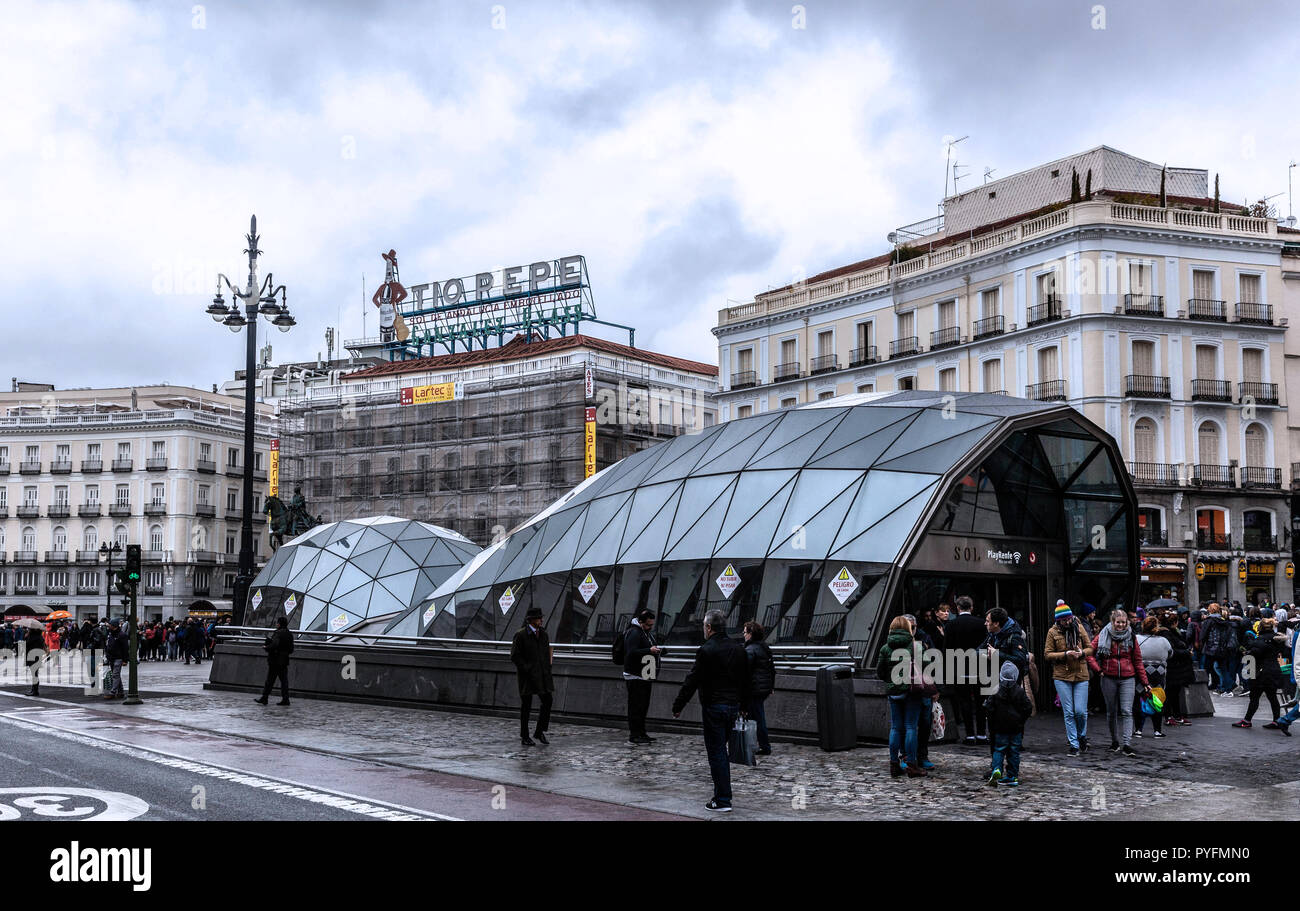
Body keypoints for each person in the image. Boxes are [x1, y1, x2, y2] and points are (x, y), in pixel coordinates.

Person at [671, 609, 750, 812]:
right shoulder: (738, 648)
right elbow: (746, 680)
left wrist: (678, 705)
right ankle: (722, 794)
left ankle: (722, 799)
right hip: (733, 706)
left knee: (717, 753)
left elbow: (693, 679)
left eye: (704, 627)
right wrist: (744, 706)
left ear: (708, 627)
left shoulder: (707, 650)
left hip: (714, 706)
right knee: (721, 751)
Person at [1088, 609, 1149, 756]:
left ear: (1127, 622)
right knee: (1111, 711)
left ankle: (1127, 744)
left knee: (1127, 711)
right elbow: (1089, 653)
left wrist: (1145, 681)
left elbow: (1138, 661)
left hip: (1128, 677)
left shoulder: (1131, 636)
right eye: (1118, 622)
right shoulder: (1103, 634)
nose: (1121, 625)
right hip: (1108, 677)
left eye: (1123, 622)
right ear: (1113, 622)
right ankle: (1114, 741)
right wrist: (1098, 670)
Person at [877, 615, 928, 778]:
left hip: (893, 692)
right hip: (912, 691)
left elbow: (880, 671)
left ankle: (894, 764)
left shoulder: (885, 648)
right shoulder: (916, 646)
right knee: (911, 727)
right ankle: (912, 765)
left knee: (895, 727)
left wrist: (891, 681)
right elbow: (927, 667)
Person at [1043, 602, 1093, 756]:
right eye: (1064, 620)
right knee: (1069, 712)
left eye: (1069, 619)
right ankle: (1074, 744)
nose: (1067, 622)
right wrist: (1065, 654)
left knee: (1080, 711)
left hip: (1081, 673)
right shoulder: (1053, 632)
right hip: (1061, 675)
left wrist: (1081, 653)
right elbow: (1047, 654)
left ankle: (1082, 736)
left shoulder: (1079, 627)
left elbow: (1090, 648)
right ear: (1058, 620)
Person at [946, 595, 988, 745]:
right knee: (981, 701)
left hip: (960, 667)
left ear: (957, 608)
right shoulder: (981, 623)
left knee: (964, 701)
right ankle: (982, 734)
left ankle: (970, 734)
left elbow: (948, 649)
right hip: (980, 667)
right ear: (971, 607)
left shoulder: (951, 625)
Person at [509, 607, 553, 747]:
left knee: (548, 700)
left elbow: (546, 654)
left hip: (542, 675)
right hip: (527, 677)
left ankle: (539, 731)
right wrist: (527, 668)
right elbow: (515, 656)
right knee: (526, 706)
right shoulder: (521, 635)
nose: (541, 620)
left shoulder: (543, 634)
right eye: (539, 618)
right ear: (531, 620)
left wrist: (546, 669)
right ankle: (525, 736)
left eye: (541, 617)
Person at [1232, 617, 1287, 729]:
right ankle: (1276, 720)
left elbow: (1253, 656)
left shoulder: (1259, 640)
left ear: (1260, 627)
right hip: (1274, 669)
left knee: (1254, 697)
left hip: (1260, 672)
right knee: (1272, 697)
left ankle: (1247, 720)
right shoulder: (1277, 639)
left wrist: (1246, 653)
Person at [984, 660, 1032, 786]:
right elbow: (1028, 707)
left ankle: (996, 769)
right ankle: (1012, 776)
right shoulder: (1020, 691)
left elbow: (989, 707)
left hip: (999, 728)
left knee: (999, 750)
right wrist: (1021, 720)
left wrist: (992, 722)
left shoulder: (996, 690)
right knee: (1014, 752)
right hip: (1016, 728)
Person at [622, 608, 662, 744]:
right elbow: (631, 652)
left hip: (644, 673)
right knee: (636, 706)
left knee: (643, 705)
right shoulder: (634, 632)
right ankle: (635, 734)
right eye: (648, 625)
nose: (650, 627)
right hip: (635, 675)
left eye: (651, 625)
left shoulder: (645, 633)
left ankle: (641, 732)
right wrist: (649, 650)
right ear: (640, 622)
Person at [1133, 615, 1171, 738]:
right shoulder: (1164, 641)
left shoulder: (1136, 639)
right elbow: (1170, 654)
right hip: (1158, 675)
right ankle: (1157, 731)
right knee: (1157, 700)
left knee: (1139, 699)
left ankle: (1138, 730)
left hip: (1141, 673)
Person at [743, 620, 775, 756]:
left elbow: (745, 671)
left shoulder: (750, 650)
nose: (743, 635)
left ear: (751, 634)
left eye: (745, 632)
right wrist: (771, 686)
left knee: (757, 717)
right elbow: (772, 669)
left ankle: (763, 746)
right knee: (753, 716)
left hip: (754, 689)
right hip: (763, 688)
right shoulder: (764, 648)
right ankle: (750, 743)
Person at [1158, 612, 1195, 726]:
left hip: (1176, 668)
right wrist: (1187, 653)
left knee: (1175, 692)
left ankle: (1177, 715)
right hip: (1173, 668)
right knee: (1170, 693)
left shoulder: (1170, 632)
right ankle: (1169, 716)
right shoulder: (1167, 634)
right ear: (1174, 623)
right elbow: (1172, 651)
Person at [255, 617, 294, 706]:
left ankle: (264, 698)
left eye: (277, 623)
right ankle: (285, 699)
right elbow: (291, 649)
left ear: (279, 624)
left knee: (270, 680)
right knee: (284, 681)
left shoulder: (278, 633)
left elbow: (275, 644)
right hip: (284, 661)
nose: (276, 624)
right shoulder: (289, 634)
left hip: (275, 660)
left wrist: (266, 647)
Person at [982, 607, 1028, 681]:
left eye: (987, 621)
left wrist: (997, 654)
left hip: (1010, 683)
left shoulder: (1014, 637)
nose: (985, 623)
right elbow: (979, 650)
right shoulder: (992, 635)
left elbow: (1021, 660)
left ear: (996, 623)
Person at [104, 619, 127, 699]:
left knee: (115, 675)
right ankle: (120, 692)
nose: (108, 626)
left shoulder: (121, 635)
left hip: (118, 657)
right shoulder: (111, 634)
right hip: (111, 657)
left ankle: (113, 692)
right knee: (116, 675)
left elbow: (125, 648)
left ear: (114, 626)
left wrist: (125, 660)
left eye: (110, 625)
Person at [24, 625, 46, 696]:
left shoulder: (32, 637)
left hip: (32, 656)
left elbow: (26, 644)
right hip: (37, 656)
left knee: (34, 674)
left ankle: (35, 691)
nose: (28, 629)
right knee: (35, 674)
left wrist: (26, 636)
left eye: (29, 629)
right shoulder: (40, 637)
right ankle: (34, 690)